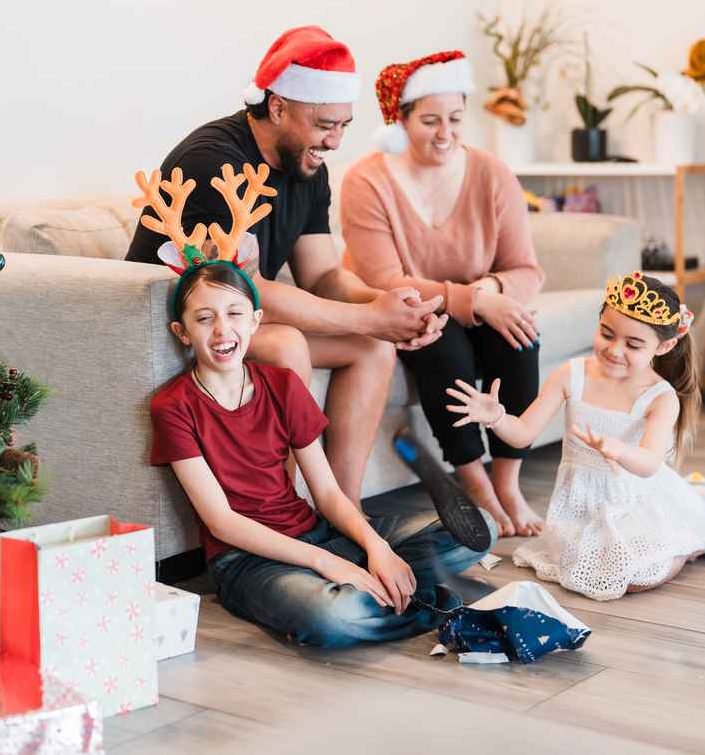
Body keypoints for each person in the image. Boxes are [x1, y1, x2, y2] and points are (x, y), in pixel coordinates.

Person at [142, 182, 495, 646]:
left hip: (317, 529)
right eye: (204, 318)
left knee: (481, 530)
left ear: (255, 321)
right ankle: (426, 604)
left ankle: (384, 587)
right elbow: (222, 522)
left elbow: (326, 491)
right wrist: (331, 564)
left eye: (234, 314)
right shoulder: (173, 406)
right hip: (247, 560)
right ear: (181, 332)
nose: (222, 329)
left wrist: (375, 547)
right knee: (335, 618)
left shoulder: (283, 385)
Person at [126, 25, 446, 506]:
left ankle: (343, 509)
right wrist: (370, 317)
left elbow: (322, 275)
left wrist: (386, 309)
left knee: (374, 348)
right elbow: (242, 290)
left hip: (240, 321)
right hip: (178, 326)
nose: (335, 141)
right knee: (290, 343)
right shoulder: (214, 162)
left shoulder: (307, 166)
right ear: (278, 106)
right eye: (324, 125)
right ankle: (288, 513)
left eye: (343, 126)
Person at [339, 51, 545, 537]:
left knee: (519, 337)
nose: (445, 133)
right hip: (406, 308)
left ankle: (508, 483)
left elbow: (527, 270)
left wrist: (492, 292)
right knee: (441, 344)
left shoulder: (492, 173)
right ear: (401, 120)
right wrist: (473, 301)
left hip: (479, 297)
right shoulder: (366, 181)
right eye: (429, 120)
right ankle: (474, 482)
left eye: (454, 119)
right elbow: (388, 278)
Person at [446, 272, 705, 601]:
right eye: (607, 334)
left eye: (633, 345)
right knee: (582, 572)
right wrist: (497, 417)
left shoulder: (660, 397)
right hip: (580, 501)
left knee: (635, 579)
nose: (615, 350)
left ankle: (684, 547)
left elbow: (649, 463)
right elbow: (521, 435)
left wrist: (617, 450)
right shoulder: (571, 374)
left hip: (636, 501)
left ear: (665, 345)